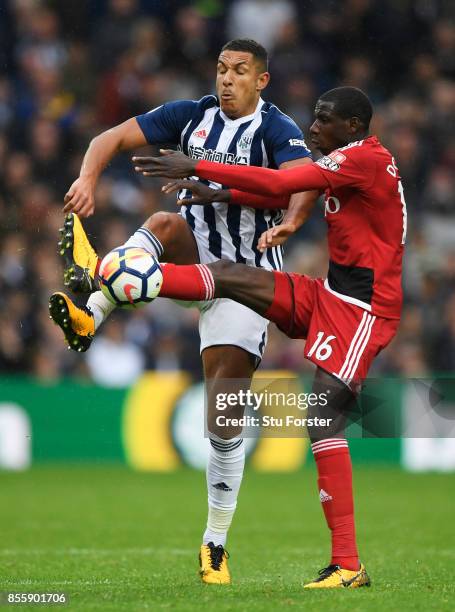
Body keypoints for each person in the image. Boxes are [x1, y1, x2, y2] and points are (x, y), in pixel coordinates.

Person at [114, 85, 406, 588]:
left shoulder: (364, 160)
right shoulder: (350, 158)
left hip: (364, 311)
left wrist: (201, 168)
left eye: (324, 120)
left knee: (323, 420)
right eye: (314, 117)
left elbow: (280, 183)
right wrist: (223, 195)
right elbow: (292, 189)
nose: (313, 127)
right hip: (329, 294)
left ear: (354, 126)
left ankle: (349, 564)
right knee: (230, 275)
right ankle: (126, 276)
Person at [49, 38, 316, 584]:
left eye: (239, 71)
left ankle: (215, 542)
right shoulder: (192, 116)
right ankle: (92, 312)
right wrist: (87, 177)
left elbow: (301, 185)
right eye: (221, 68)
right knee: (166, 223)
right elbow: (111, 136)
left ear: (261, 81)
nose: (226, 79)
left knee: (223, 414)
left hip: (247, 281)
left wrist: (283, 218)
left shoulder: (276, 129)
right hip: (191, 254)